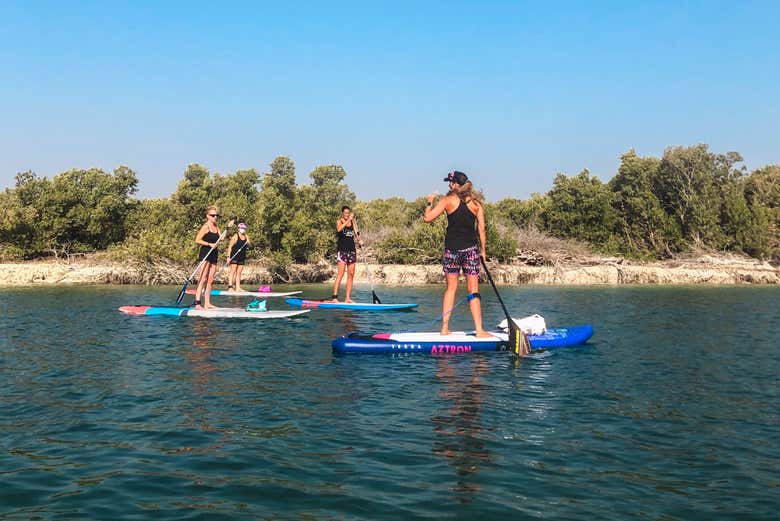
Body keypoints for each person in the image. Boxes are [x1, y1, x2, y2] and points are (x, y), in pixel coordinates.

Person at [423, 171, 490, 337]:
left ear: (455, 184)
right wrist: (483, 250)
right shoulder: (476, 204)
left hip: (451, 250)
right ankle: (479, 330)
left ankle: (444, 329)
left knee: (450, 289)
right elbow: (481, 229)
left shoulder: (447, 201)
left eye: (450, 182)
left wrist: (429, 202)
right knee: (473, 290)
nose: (448, 185)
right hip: (470, 251)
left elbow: (427, 218)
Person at [193, 206, 233, 309]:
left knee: (210, 279)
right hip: (205, 253)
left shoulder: (216, 227)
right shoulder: (205, 227)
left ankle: (207, 303)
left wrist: (228, 228)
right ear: (207, 216)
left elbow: (222, 238)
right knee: (203, 278)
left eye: (216, 215)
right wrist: (209, 244)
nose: (215, 217)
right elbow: (197, 240)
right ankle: (197, 303)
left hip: (214, 254)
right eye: (212, 215)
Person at [331, 205, 362, 302]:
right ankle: (335, 297)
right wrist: (348, 221)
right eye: (345, 213)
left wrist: (360, 241)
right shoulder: (339, 221)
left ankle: (347, 298)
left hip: (351, 250)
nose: (347, 215)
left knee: (351, 274)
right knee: (340, 274)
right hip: (342, 251)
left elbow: (357, 235)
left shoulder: (353, 222)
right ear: (342, 213)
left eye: (348, 213)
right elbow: (339, 229)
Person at [226, 222, 250, 291]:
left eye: (244, 228)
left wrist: (248, 242)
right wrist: (228, 257)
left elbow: (249, 245)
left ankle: (238, 287)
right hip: (234, 256)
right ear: (239, 229)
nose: (243, 229)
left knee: (239, 272)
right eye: (242, 228)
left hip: (242, 256)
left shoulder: (246, 236)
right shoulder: (235, 236)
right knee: (233, 270)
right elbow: (230, 246)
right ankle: (230, 287)